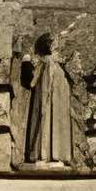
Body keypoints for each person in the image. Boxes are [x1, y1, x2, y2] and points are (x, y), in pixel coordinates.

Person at [24, 32, 75, 165]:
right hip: (48, 99)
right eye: (54, 45)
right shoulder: (52, 65)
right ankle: (50, 154)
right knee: (47, 118)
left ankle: (48, 154)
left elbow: (33, 82)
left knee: (49, 118)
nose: (55, 48)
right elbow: (33, 83)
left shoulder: (49, 64)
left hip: (52, 101)